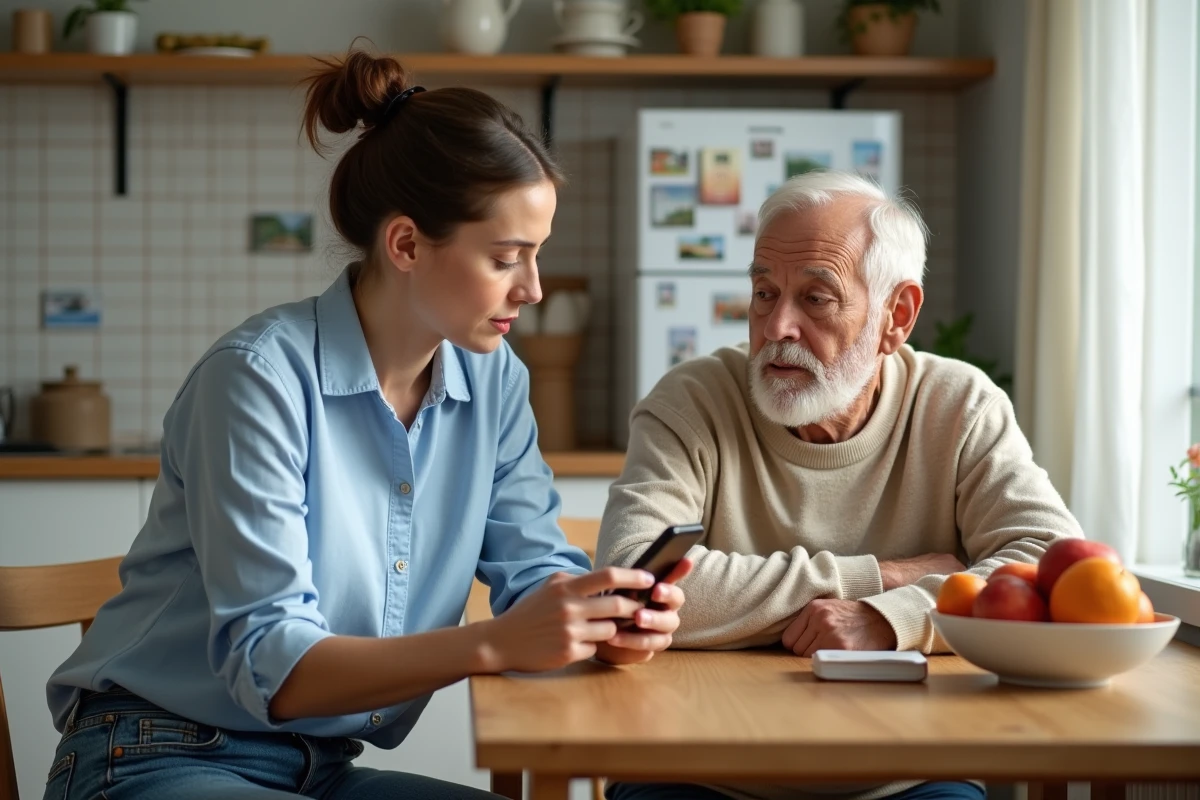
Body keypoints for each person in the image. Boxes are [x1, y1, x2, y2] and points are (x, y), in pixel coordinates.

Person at [41, 50, 691, 800]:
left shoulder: (496, 380)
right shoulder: (256, 380)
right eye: (506, 257)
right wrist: (493, 644)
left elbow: (532, 570)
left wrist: (603, 622)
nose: (534, 288)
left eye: (537, 256)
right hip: (155, 756)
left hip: (320, 770)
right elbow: (273, 666)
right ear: (407, 244)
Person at [596, 170, 1083, 800]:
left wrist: (889, 619)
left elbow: (1050, 568)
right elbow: (631, 580)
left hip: (908, 777)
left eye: (816, 299)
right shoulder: (692, 401)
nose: (776, 329)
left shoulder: (958, 406)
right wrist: (884, 577)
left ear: (896, 316)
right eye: (764, 293)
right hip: (698, 769)